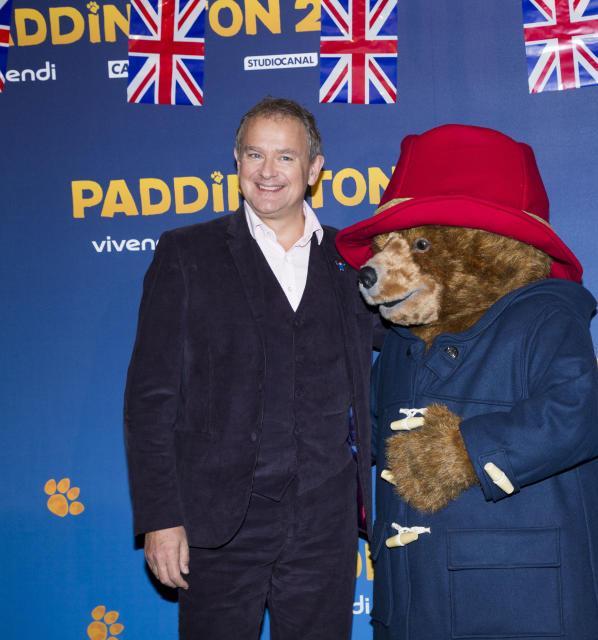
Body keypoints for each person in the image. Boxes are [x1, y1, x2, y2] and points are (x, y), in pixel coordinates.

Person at [124, 97, 379, 640]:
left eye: (285, 157)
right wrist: (160, 518)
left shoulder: (354, 260)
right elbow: (150, 401)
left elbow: (420, 329)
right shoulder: (186, 254)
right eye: (254, 154)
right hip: (218, 522)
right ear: (236, 162)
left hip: (324, 522)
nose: (268, 171)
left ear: (313, 169)